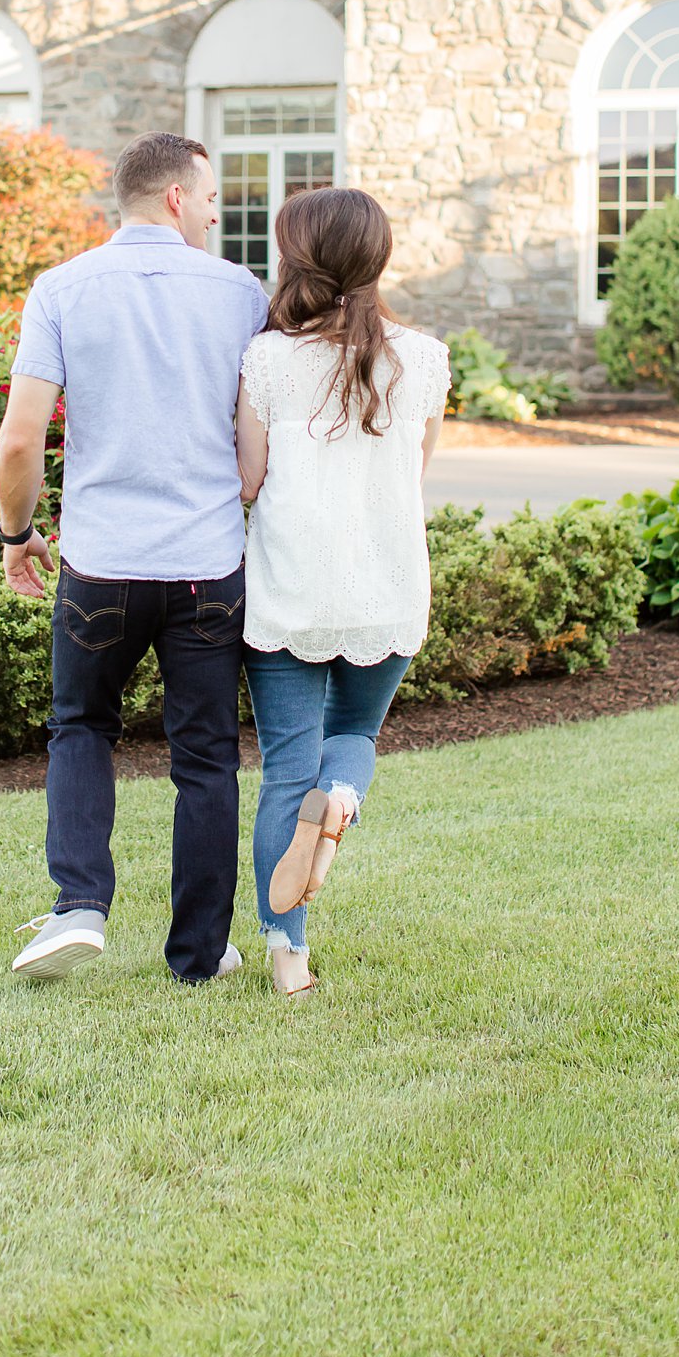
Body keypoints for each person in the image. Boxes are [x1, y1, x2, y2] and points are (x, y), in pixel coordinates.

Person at [0, 131, 269, 985]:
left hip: (102, 564)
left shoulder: (62, 289)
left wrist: (17, 534)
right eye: (213, 196)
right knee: (206, 757)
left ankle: (80, 904)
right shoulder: (240, 293)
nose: (220, 211)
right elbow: (259, 434)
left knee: (80, 727)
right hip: (206, 563)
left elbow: (18, 442)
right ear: (177, 198)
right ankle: (197, 955)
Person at [236, 187, 448, 999]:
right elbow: (413, 471)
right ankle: (344, 800)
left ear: (298, 259)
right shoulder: (423, 358)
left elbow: (250, 481)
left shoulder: (268, 360)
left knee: (287, 766)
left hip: (291, 593)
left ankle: (289, 958)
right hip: (388, 591)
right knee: (355, 730)